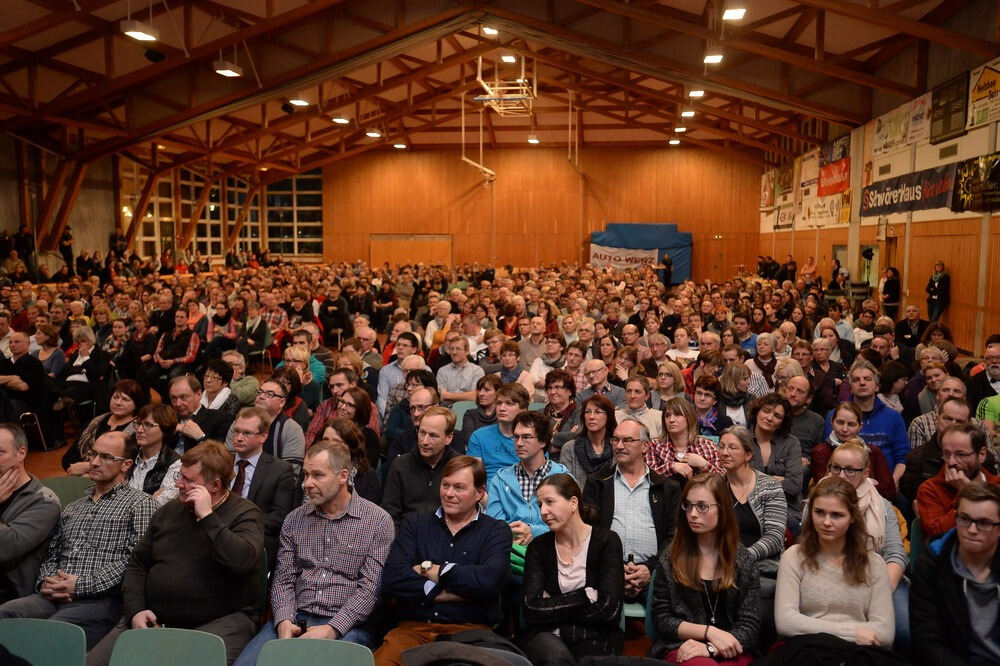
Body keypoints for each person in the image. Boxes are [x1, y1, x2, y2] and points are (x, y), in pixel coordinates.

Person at [86, 440, 265, 666]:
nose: (178, 484)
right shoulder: (169, 511)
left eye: (188, 480)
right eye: (180, 476)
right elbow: (137, 565)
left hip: (219, 621)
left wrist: (208, 518)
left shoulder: (245, 514)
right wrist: (136, 611)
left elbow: (242, 561)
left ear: (215, 485)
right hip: (153, 618)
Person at [232, 440, 394, 665]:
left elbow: (370, 590)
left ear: (343, 476)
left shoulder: (377, 522)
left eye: (317, 475)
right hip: (296, 617)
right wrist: (284, 620)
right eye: (306, 474)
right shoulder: (294, 519)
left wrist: (332, 629)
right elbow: (283, 580)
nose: (306, 484)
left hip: (347, 626)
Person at [0, 432, 155, 649]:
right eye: (92, 455)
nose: (94, 462)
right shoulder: (74, 507)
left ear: (126, 464)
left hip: (101, 599)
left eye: (106, 457)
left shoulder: (140, 504)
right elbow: (52, 553)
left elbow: (135, 561)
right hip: (53, 596)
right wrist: (46, 581)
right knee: (5, 615)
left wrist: (81, 585)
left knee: (50, 634)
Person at [373, 456, 511, 665]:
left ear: (479, 493)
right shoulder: (415, 525)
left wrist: (430, 569)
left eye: (459, 487)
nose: (449, 494)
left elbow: (488, 582)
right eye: (445, 485)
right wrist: (444, 591)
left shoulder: (496, 531)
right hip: (413, 630)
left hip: (470, 633)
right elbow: (393, 579)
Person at [772, 477, 894, 657]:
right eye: (819, 512)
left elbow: (884, 633)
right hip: (807, 650)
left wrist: (812, 626)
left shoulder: (874, 564)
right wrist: (853, 633)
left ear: (852, 517)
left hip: (859, 653)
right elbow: (785, 622)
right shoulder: (794, 556)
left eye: (837, 515)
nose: (826, 522)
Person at [649, 474, 761, 664]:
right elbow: (662, 619)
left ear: (723, 509)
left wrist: (711, 647)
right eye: (688, 505)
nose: (692, 514)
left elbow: (750, 624)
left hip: (730, 645)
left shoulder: (742, 559)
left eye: (702, 506)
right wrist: (710, 632)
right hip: (682, 646)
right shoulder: (672, 556)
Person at [521, 474, 625, 663]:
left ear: (573, 503)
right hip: (546, 636)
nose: (543, 511)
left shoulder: (607, 541)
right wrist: (584, 597)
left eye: (550, 502)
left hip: (596, 636)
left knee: (588, 661)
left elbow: (610, 609)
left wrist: (552, 606)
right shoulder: (538, 547)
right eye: (540, 505)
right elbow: (531, 608)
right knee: (555, 657)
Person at [582, 416, 680, 603]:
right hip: (605, 571)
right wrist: (613, 568)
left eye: (627, 440)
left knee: (671, 604)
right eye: (615, 440)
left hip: (655, 572)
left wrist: (651, 569)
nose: (619, 446)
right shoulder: (597, 482)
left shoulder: (667, 487)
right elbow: (587, 532)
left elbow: (674, 537)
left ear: (645, 446)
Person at [825, 440, 910, 649]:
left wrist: (879, 593)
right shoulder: (818, 502)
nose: (842, 475)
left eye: (851, 470)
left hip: (879, 578)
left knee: (903, 630)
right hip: (830, 577)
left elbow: (895, 553)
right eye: (836, 468)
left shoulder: (881, 506)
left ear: (865, 472)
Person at [910, 481, 1000, 664]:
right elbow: (927, 641)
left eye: (984, 523)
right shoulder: (931, 565)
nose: (972, 530)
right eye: (964, 519)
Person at [227, 407, 296, 570]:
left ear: (263, 436)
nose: (238, 438)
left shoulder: (280, 469)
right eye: (236, 431)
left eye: (247, 433)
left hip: (255, 538)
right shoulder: (222, 462)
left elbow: (279, 517)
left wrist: (238, 523)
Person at [487, 411, 569, 546]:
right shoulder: (500, 479)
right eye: (516, 437)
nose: (519, 443)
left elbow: (569, 524)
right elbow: (493, 525)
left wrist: (534, 531)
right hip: (509, 549)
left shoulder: (562, 478)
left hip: (553, 549)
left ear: (543, 441)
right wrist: (515, 534)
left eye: (526, 437)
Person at [0, 423, 61, 605]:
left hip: (10, 590)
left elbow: (6, 548)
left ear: (21, 453)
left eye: (0, 452)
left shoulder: (44, 501)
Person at [916, 423, 1000, 539]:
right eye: (946, 454)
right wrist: (965, 493)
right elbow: (936, 537)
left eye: (961, 454)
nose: (951, 462)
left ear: (981, 454)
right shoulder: (930, 489)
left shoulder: (997, 484)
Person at [717, 426, 786, 564]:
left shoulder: (769, 487)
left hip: (761, 563)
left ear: (748, 455)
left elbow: (775, 537)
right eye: (721, 447)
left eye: (732, 448)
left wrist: (743, 558)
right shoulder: (716, 487)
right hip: (722, 562)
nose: (724, 452)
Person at [382, 406, 460, 526]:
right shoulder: (401, 465)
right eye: (422, 433)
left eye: (433, 435)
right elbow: (390, 514)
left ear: (449, 437)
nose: (425, 441)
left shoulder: (459, 468)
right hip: (407, 537)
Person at [812, 402, 897, 502]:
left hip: (873, 503)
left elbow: (889, 491)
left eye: (851, 424)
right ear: (831, 422)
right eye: (840, 422)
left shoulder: (873, 452)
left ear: (860, 426)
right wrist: (867, 484)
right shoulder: (821, 452)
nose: (844, 429)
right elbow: (825, 490)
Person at [62, 379, 147, 475]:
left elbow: (134, 468)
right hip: (79, 479)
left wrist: (88, 468)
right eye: (115, 397)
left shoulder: (139, 430)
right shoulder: (95, 423)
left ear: (136, 404)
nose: (118, 403)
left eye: (125, 399)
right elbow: (67, 460)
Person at [226, 378, 305, 476]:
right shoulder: (240, 422)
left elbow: (290, 473)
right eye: (260, 392)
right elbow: (227, 457)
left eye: (269, 394)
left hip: (272, 485)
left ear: (282, 402)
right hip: (236, 477)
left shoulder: (292, 429)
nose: (261, 396)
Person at [748, 394, 804, 528]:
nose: (769, 418)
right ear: (757, 412)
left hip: (785, 507)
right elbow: (737, 480)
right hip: (749, 504)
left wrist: (755, 480)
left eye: (777, 416)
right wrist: (775, 480)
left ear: (782, 422)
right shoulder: (742, 439)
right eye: (766, 411)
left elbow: (795, 485)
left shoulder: (791, 443)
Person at [647, 396, 723, 479]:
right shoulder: (654, 446)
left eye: (677, 414)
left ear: (689, 418)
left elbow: (723, 480)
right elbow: (647, 477)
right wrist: (672, 467)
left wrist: (704, 465)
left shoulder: (707, 445)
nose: (671, 420)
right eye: (667, 415)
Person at [467, 382, 529, 481]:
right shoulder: (479, 436)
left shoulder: (534, 438)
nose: (502, 408)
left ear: (523, 409)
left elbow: (538, 473)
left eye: (509, 404)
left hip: (523, 490)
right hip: (488, 493)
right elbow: (474, 477)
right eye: (499, 403)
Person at [127, 403, 181, 506]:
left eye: (147, 425)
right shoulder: (127, 456)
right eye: (138, 423)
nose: (139, 430)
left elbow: (159, 505)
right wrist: (150, 499)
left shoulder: (175, 463)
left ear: (165, 429)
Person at [559, 394, 616, 489]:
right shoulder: (570, 448)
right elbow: (566, 487)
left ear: (608, 416)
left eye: (597, 412)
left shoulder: (616, 447)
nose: (591, 417)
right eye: (587, 412)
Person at [319, 418, 382, 504]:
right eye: (325, 440)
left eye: (336, 442)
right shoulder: (311, 469)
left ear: (350, 446)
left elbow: (371, 513)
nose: (329, 445)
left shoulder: (368, 476)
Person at [169, 375, 232, 453]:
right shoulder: (167, 419)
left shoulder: (220, 418)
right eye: (174, 398)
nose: (178, 404)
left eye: (183, 397)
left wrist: (200, 437)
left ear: (198, 394)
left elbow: (219, 457)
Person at [615, 375, 663, 440]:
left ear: (647, 396)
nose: (632, 396)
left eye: (637, 392)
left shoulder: (659, 417)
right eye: (629, 391)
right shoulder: (615, 416)